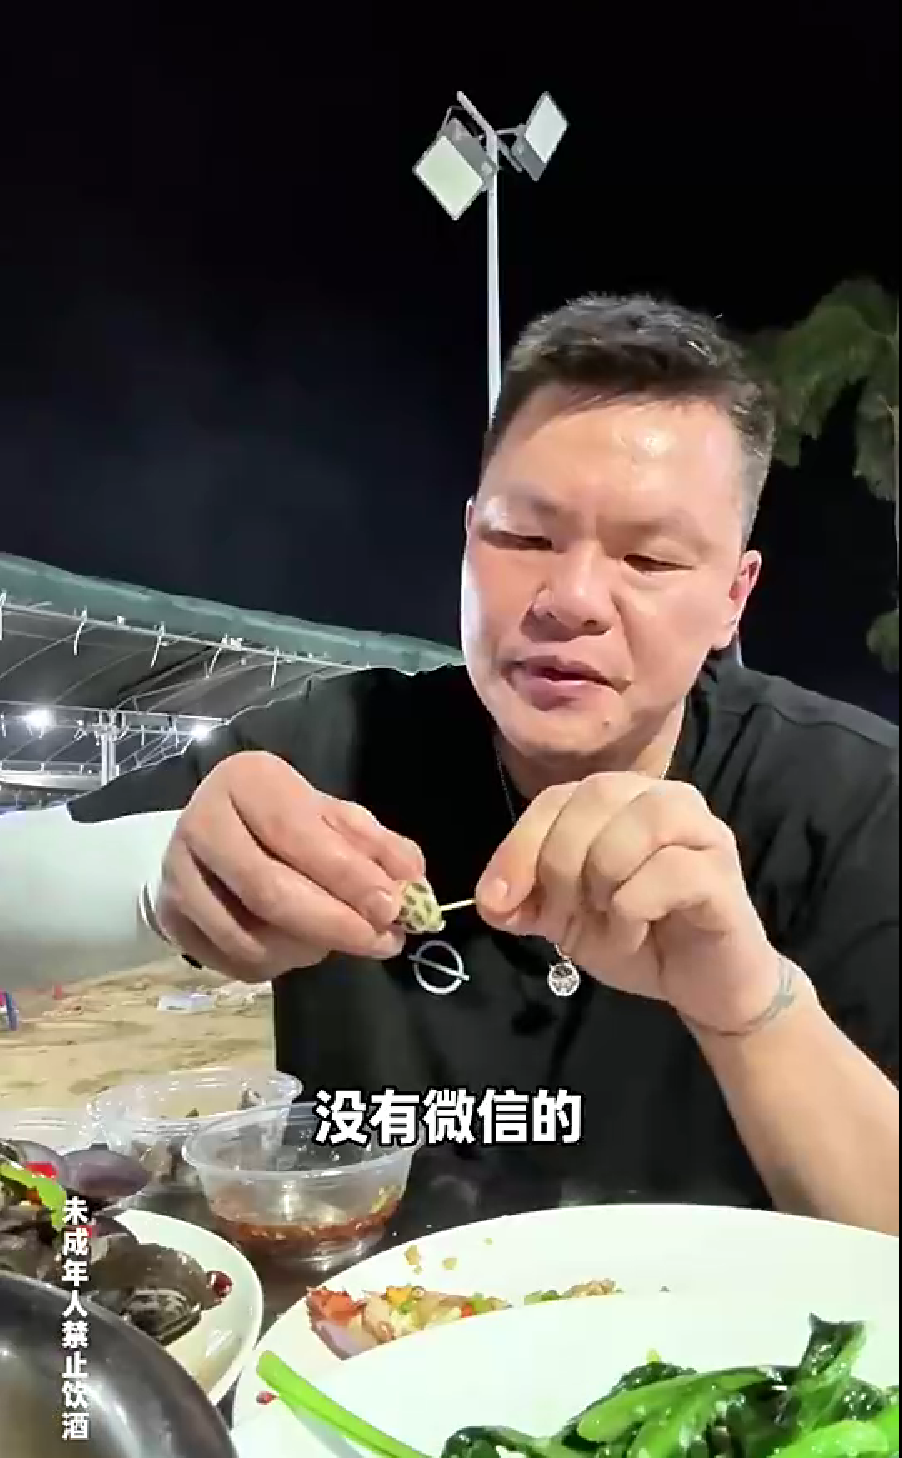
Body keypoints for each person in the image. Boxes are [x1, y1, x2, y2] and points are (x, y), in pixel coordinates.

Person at [1, 294, 897, 1233]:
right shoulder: (331, 754)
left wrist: (752, 1006)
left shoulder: (853, 803)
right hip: (381, 1312)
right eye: (525, 537)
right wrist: (156, 880)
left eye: (650, 559)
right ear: (469, 540)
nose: (572, 598)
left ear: (733, 598)